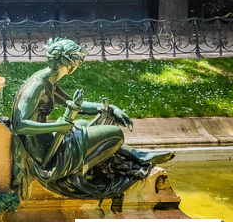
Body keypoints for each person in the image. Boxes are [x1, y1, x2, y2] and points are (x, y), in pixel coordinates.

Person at [11, 38, 173, 200]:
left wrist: (107, 109)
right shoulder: (37, 85)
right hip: (43, 153)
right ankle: (88, 169)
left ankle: (137, 155)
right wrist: (57, 127)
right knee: (116, 134)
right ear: (71, 64)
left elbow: (73, 105)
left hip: (43, 142)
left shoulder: (48, 80)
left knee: (81, 124)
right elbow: (19, 125)